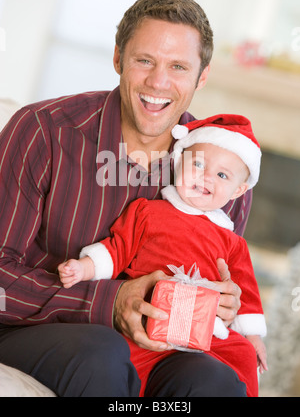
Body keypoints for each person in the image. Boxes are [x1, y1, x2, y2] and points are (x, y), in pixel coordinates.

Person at [0, 0, 250, 397]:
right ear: (118, 58)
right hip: (35, 331)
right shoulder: (42, 132)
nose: (158, 82)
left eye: (179, 67)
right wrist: (109, 302)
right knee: (102, 351)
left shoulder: (222, 172)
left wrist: (225, 305)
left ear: (202, 77)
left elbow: (223, 284)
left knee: (214, 381)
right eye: (144, 60)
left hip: (159, 347)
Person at [58, 114, 267, 397]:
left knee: (241, 353)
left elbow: (246, 294)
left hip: (204, 330)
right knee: (117, 357)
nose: (206, 176)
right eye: (198, 164)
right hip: (148, 316)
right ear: (179, 163)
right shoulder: (149, 212)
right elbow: (117, 248)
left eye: (222, 175)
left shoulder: (232, 242)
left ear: (238, 190)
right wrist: (84, 268)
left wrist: (253, 336)